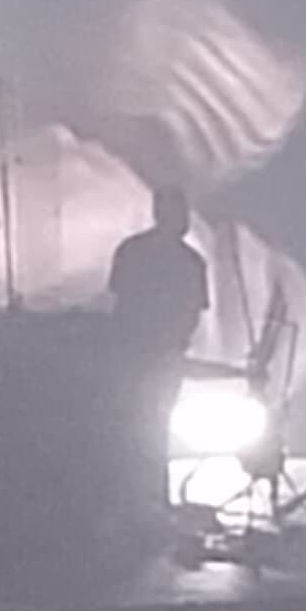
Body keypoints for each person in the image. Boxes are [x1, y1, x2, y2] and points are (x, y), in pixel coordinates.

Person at [106, 184, 216, 507]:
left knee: (136, 426)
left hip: (134, 354)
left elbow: (119, 300)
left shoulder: (131, 251)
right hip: (158, 356)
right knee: (152, 429)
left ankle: (135, 499)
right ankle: (151, 500)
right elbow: (193, 313)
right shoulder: (190, 263)